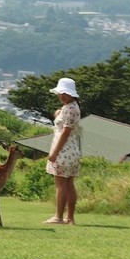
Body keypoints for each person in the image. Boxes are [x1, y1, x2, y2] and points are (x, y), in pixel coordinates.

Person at [44, 77, 82, 225]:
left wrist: (54, 153)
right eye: (60, 93)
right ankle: (70, 217)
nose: (62, 96)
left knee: (60, 184)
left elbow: (65, 132)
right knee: (69, 184)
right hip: (72, 150)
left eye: (64, 93)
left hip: (64, 151)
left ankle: (58, 216)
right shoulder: (72, 108)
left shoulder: (70, 109)